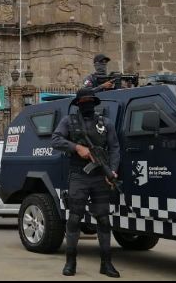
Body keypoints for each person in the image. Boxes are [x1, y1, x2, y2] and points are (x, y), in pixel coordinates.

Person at [52, 88, 121, 278]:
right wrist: (76, 147)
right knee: (75, 218)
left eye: (90, 101)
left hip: (100, 175)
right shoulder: (69, 121)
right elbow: (55, 139)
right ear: (78, 104)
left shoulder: (105, 123)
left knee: (104, 220)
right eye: (84, 102)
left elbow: (115, 148)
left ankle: (106, 264)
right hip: (78, 175)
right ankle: (70, 262)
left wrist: (112, 170)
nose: (87, 105)